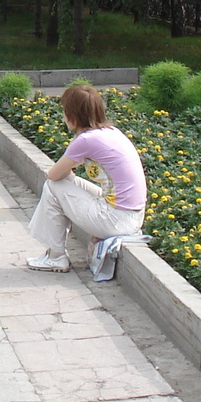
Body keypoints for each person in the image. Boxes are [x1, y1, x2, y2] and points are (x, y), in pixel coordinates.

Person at [26, 84, 146, 272]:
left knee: (52, 185)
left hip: (115, 219)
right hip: (132, 216)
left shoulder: (85, 141)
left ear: (73, 115)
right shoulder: (111, 132)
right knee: (64, 184)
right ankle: (53, 253)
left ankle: (56, 256)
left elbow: (54, 174)